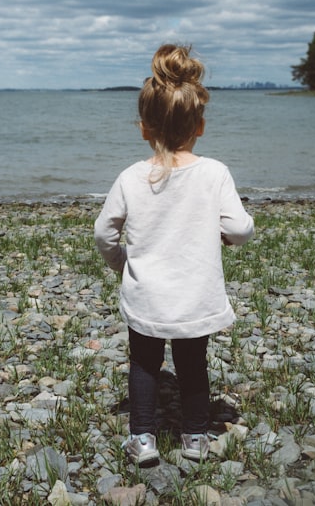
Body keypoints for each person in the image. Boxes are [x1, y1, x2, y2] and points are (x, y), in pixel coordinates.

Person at [94, 43, 254, 466]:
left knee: (144, 364)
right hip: (194, 294)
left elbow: (103, 231)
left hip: (147, 293)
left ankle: (143, 439)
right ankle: (195, 437)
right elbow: (239, 227)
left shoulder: (131, 177)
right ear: (199, 126)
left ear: (144, 128)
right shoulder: (214, 173)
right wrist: (227, 238)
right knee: (192, 363)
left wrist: (121, 262)